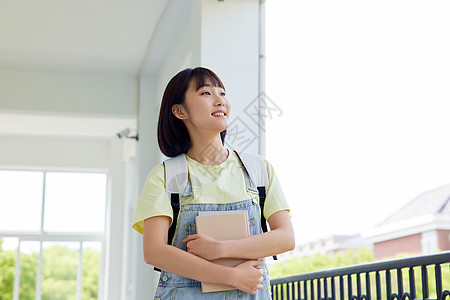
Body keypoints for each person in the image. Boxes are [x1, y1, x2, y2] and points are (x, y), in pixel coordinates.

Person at [132, 67, 295, 299]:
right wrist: (231, 276)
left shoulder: (258, 169)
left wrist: (222, 249)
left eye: (223, 93)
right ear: (180, 111)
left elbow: (286, 238)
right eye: (206, 93)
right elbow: (155, 252)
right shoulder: (165, 176)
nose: (220, 101)